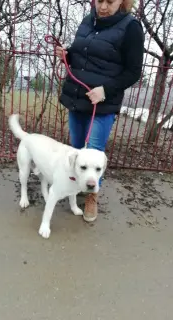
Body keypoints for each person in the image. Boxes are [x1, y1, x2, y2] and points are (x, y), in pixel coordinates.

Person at [56, 0, 144, 223]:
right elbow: (81, 56)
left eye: (110, 1)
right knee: (76, 151)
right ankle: (73, 190)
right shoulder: (88, 20)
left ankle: (91, 197)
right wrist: (66, 54)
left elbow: (133, 72)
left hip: (103, 104)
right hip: (78, 98)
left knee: (94, 152)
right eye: (99, 0)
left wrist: (105, 90)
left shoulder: (131, 27)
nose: (103, 6)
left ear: (123, 1)